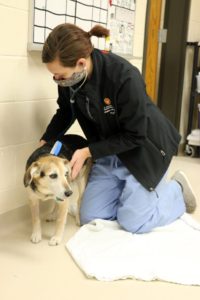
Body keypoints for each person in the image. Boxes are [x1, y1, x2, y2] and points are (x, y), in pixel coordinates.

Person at [40, 23, 197, 233]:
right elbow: (65, 112)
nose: (57, 81)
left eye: (60, 75)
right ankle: (132, 195)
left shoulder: (124, 76)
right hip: (109, 149)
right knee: (91, 218)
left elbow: (136, 135)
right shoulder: (68, 82)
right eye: (54, 76)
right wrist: (46, 140)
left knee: (134, 223)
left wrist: (88, 151)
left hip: (144, 150)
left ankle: (176, 190)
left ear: (80, 63)